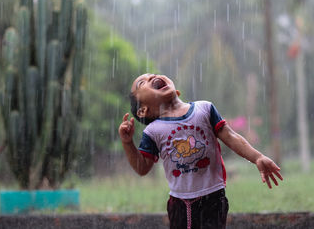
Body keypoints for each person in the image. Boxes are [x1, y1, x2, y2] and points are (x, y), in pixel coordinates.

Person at [118, 73, 283, 229]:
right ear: (142, 111)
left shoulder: (204, 109)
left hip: (214, 196)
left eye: (153, 74)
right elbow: (142, 167)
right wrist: (128, 143)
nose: (152, 76)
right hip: (180, 202)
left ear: (176, 91)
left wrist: (257, 157)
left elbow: (231, 136)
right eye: (142, 82)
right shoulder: (153, 132)